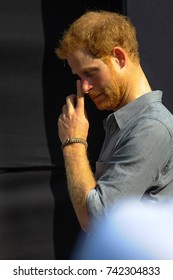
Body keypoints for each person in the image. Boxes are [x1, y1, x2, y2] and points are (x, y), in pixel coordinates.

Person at [56, 10, 173, 233]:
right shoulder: (125, 124)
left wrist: (73, 143)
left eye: (91, 73)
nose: (85, 87)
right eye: (79, 77)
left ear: (119, 57)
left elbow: (98, 223)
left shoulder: (151, 127)